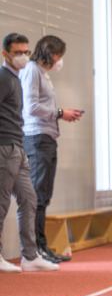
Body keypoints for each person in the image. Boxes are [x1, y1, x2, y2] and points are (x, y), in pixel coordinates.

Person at [21, 35, 83, 263]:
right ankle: (35, 248)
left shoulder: (42, 73)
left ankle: (41, 245)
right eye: (59, 55)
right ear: (51, 53)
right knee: (37, 195)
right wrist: (59, 113)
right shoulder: (32, 70)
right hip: (36, 136)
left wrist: (61, 114)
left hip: (47, 136)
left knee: (44, 196)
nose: (60, 60)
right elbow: (31, 106)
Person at [0, 33, 57, 273]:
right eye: (18, 52)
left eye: (26, 52)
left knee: (29, 199)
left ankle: (30, 256)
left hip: (19, 146)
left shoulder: (16, 77)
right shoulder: (3, 78)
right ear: (5, 54)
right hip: (4, 147)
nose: (24, 56)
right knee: (1, 203)